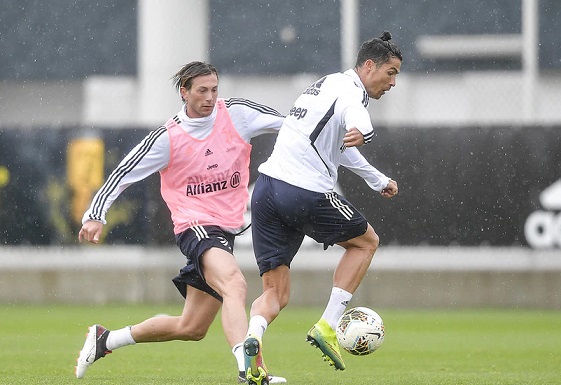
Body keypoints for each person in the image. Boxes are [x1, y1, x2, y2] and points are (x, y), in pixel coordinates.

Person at [75, 61, 287, 384]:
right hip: (195, 227)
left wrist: (336, 135)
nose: (209, 97)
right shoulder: (168, 138)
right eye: (202, 91)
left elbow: (293, 125)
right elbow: (123, 172)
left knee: (192, 328)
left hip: (224, 232)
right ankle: (250, 370)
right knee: (235, 284)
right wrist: (95, 214)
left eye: (214, 90)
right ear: (183, 92)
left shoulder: (237, 114)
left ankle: (105, 339)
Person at [241, 31, 402, 384]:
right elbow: (358, 118)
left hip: (266, 190)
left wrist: (377, 180)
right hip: (303, 191)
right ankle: (328, 325)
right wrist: (365, 129)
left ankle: (252, 343)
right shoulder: (349, 93)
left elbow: (339, 147)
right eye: (391, 73)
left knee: (275, 294)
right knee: (366, 242)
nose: (393, 82)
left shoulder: (325, 84)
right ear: (370, 65)